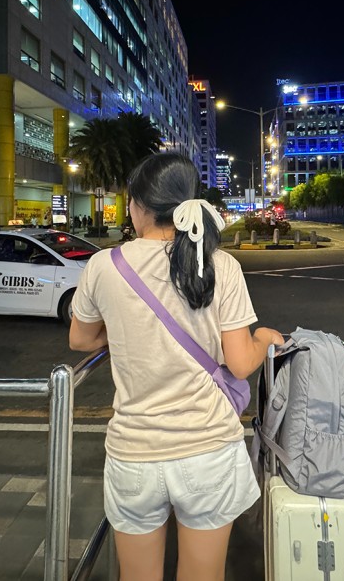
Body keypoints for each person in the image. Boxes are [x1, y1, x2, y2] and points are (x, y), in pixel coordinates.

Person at [69, 153, 283, 580]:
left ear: (139, 206)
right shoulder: (221, 265)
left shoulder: (104, 265)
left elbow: (80, 339)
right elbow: (240, 363)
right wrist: (265, 338)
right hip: (208, 451)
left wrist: (131, 325)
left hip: (135, 453)